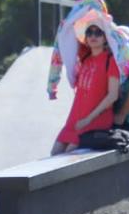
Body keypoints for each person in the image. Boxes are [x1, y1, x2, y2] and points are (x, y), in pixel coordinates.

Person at [51, 20, 121, 155]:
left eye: (98, 32)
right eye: (89, 32)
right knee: (54, 154)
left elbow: (113, 95)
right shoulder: (85, 58)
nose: (93, 36)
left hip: (94, 121)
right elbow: (67, 36)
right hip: (74, 120)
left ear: (105, 37)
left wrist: (88, 119)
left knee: (66, 159)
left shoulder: (110, 60)